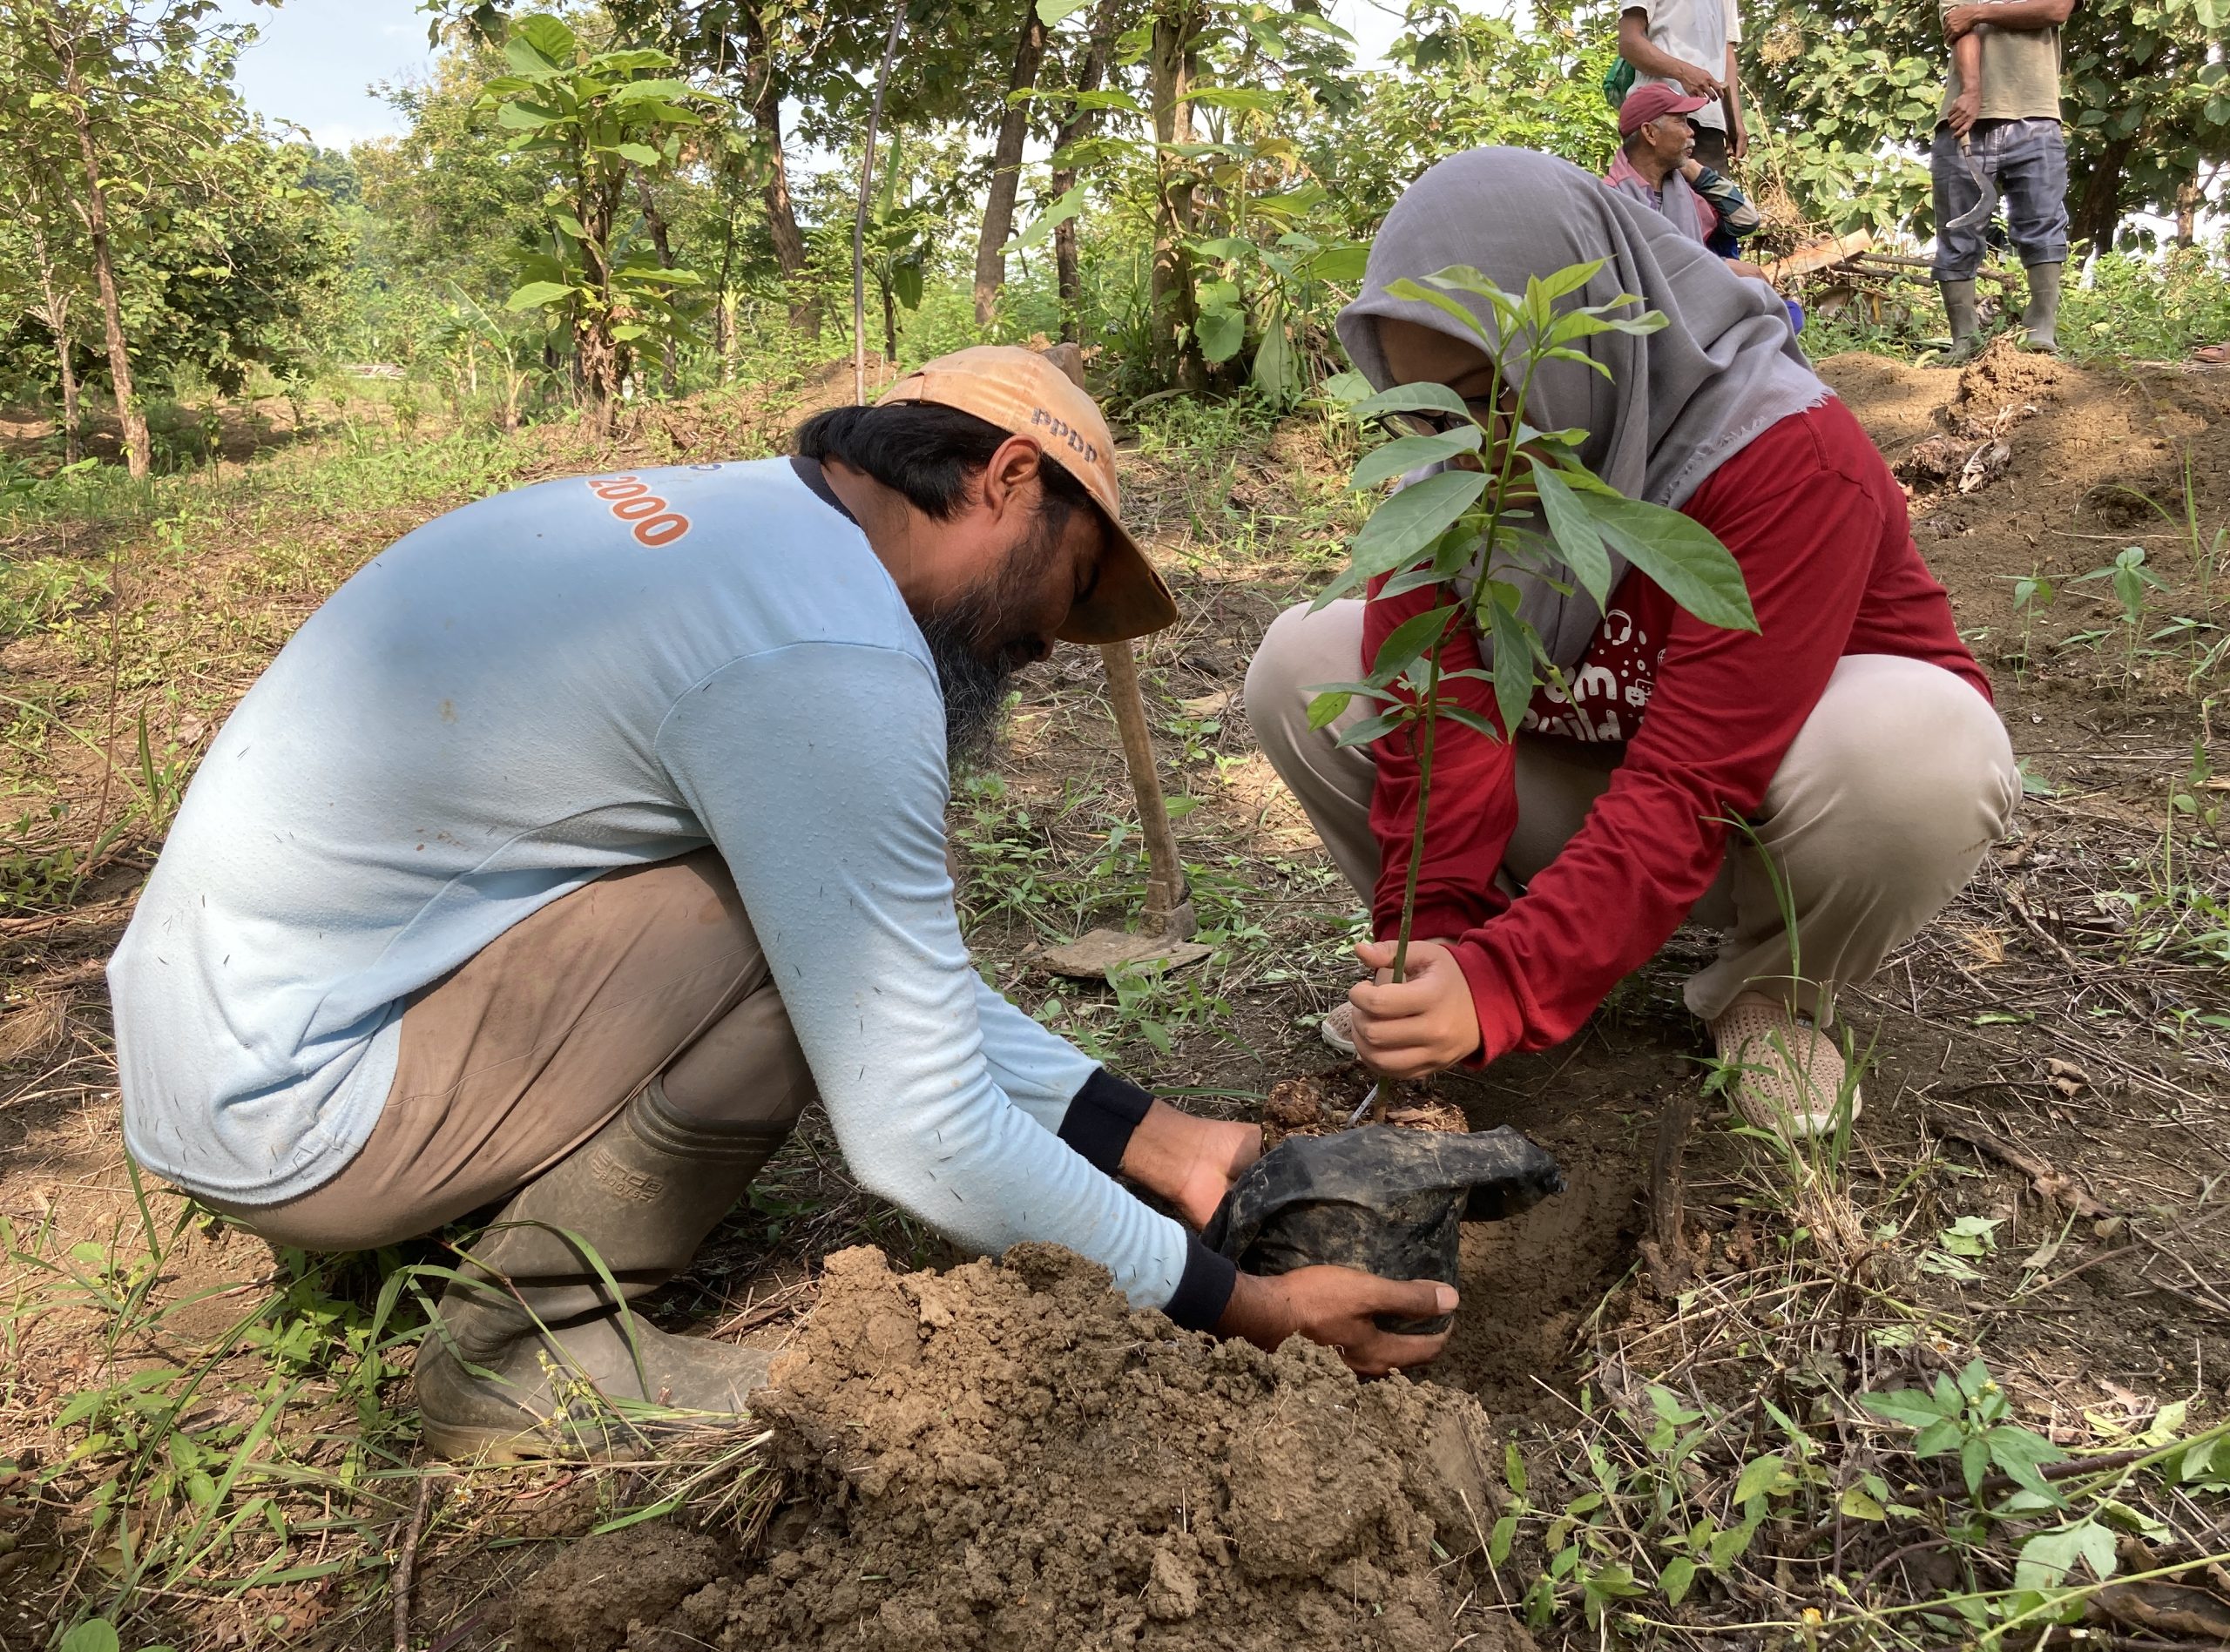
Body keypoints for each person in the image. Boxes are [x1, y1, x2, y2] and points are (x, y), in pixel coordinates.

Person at [108, 346, 1460, 1461]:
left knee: (808, 911)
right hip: (299, 1109)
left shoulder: (738, 529)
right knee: (781, 929)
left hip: (239, 1032)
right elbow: (916, 1118)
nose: (1054, 641)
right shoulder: (827, 653)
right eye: (1073, 580)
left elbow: (876, 968)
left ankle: (474, 1199)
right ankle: (525, 1347)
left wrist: (1165, 1142)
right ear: (1007, 477)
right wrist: (1242, 1304)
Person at [1246, 150, 2019, 1136]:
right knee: (1302, 660)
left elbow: (1694, 783)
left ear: (1592, 340)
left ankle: (1768, 993)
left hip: (1771, 825)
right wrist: (1443, 953)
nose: (1476, 445)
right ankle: (1482, 957)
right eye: (1432, 408)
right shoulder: (1450, 486)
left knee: (1921, 749)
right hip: (1592, 794)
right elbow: (1441, 733)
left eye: (1493, 394)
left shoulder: (1787, 457)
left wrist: (1512, 982)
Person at [1931, 0, 2077, 361]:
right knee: (1956, 230)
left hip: (2037, 115)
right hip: (1963, 120)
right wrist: (1973, 90)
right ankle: (1965, 338)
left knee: (2042, 221)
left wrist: (1981, 12)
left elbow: (2056, 9)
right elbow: (1957, 24)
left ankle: (2041, 327)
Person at [1605, 84, 1766, 274]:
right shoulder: (1610, 200)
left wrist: (1699, 173)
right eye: (1682, 122)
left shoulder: (1686, 189)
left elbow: (1746, 220)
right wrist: (1719, 266)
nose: (1691, 132)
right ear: (1650, 133)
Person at [1617, 0, 1747, 171]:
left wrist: (1734, 119)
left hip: (1710, 123)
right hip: (1660, 117)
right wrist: (1683, 73)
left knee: (1713, 196)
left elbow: (1728, 54)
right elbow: (1629, 43)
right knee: (1652, 195)